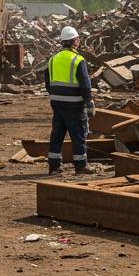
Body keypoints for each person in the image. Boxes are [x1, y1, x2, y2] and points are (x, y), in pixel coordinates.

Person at [46, 25, 93, 175]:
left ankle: (54, 166)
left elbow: (48, 83)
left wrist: (57, 96)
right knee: (78, 135)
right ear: (75, 41)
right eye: (78, 39)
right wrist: (89, 102)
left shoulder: (53, 59)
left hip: (57, 103)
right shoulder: (78, 59)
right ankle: (80, 166)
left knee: (57, 135)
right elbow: (85, 84)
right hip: (74, 105)